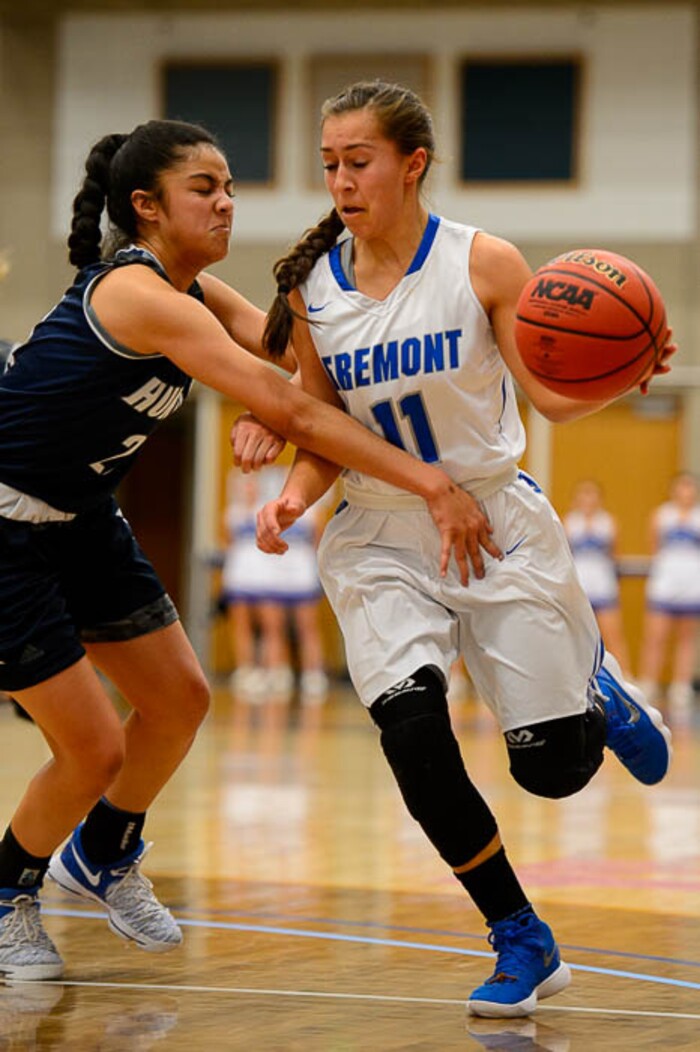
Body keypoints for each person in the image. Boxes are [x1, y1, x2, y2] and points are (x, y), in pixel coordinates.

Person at [0, 118, 504, 982]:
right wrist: (427, 479)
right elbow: (303, 408)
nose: (228, 202)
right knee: (93, 750)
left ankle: (104, 852)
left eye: (230, 185)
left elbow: (296, 366)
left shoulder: (194, 291)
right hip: (6, 528)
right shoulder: (138, 295)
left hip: (80, 517)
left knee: (182, 701)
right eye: (207, 189)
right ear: (147, 207)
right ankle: (8, 892)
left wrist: (408, 334)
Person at [254, 80, 675, 1018]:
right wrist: (289, 495)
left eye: (357, 161)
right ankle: (519, 934)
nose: (340, 181)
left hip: (491, 517)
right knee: (411, 733)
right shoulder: (310, 289)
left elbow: (554, 396)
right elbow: (323, 429)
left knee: (553, 771)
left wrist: (630, 368)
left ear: (413, 164)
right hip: (378, 533)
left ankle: (594, 689)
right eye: (328, 164)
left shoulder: (483, 263)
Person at [222, 467, 329, 704]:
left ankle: (311, 673)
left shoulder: (307, 513)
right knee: (256, 624)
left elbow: (317, 541)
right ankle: (257, 671)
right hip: (247, 573)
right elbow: (229, 542)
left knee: (304, 624)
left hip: (297, 571)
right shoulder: (235, 513)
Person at [638, 471, 700, 716]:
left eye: (690, 488)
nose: (686, 492)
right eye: (681, 487)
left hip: (692, 584)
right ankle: (648, 682)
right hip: (665, 583)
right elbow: (654, 547)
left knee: (686, 638)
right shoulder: (661, 515)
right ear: (674, 490)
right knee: (655, 636)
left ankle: (680, 686)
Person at [563, 479, 632, 676]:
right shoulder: (568, 522)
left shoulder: (609, 522)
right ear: (576, 499)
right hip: (578, 586)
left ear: (599, 499)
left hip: (603, 585)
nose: (588, 499)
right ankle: (572, 677)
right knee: (574, 635)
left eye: (592, 494)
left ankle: (624, 678)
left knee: (613, 635)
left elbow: (615, 556)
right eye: (583, 494)